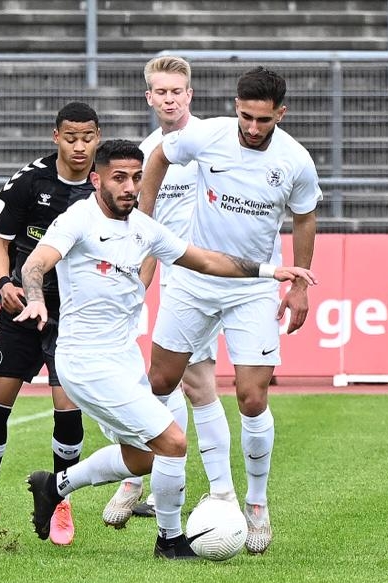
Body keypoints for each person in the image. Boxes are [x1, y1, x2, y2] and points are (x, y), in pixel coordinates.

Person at [16, 139, 316, 558]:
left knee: (143, 458)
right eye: (119, 178)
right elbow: (35, 264)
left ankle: (55, 486)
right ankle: (169, 541)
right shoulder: (77, 219)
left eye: (136, 178)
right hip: (85, 362)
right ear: (96, 179)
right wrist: (34, 298)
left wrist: (270, 271)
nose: (129, 187)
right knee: (173, 442)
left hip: (123, 359)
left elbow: (206, 261)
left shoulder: (143, 227)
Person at [140, 66, 322, 554]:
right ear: (236, 107)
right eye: (246, 117)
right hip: (193, 280)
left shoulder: (296, 161)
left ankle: (256, 503)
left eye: (264, 119)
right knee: (158, 383)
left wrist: (299, 284)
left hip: (254, 287)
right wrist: (144, 218)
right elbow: (159, 155)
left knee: (251, 398)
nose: (253, 128)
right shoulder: (209, 135)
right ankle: (142, 482)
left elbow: (305, 218)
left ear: (281, 114)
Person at [0, 102, 100, 548]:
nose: (79, 146)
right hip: (21, 310)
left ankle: (61, 500)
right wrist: (3, 283)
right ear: (56, 137)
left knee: (67, 408)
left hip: (73, 316)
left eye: (87, 137)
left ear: (98, 137)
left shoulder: (103, 185)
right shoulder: (28, 182)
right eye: (70, 137)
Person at [102, 55, 231, 526]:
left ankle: (204, 491)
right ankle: (165, 481)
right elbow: (146, 227)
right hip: (168, 277)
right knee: (168, 380)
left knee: (191, 381)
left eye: (177, 91)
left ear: (189, 95)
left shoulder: (211, 143)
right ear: (149, 97)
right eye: (162, 91)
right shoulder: (146, 152)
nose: (170, 99)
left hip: (202, 277)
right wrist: (134, 284)